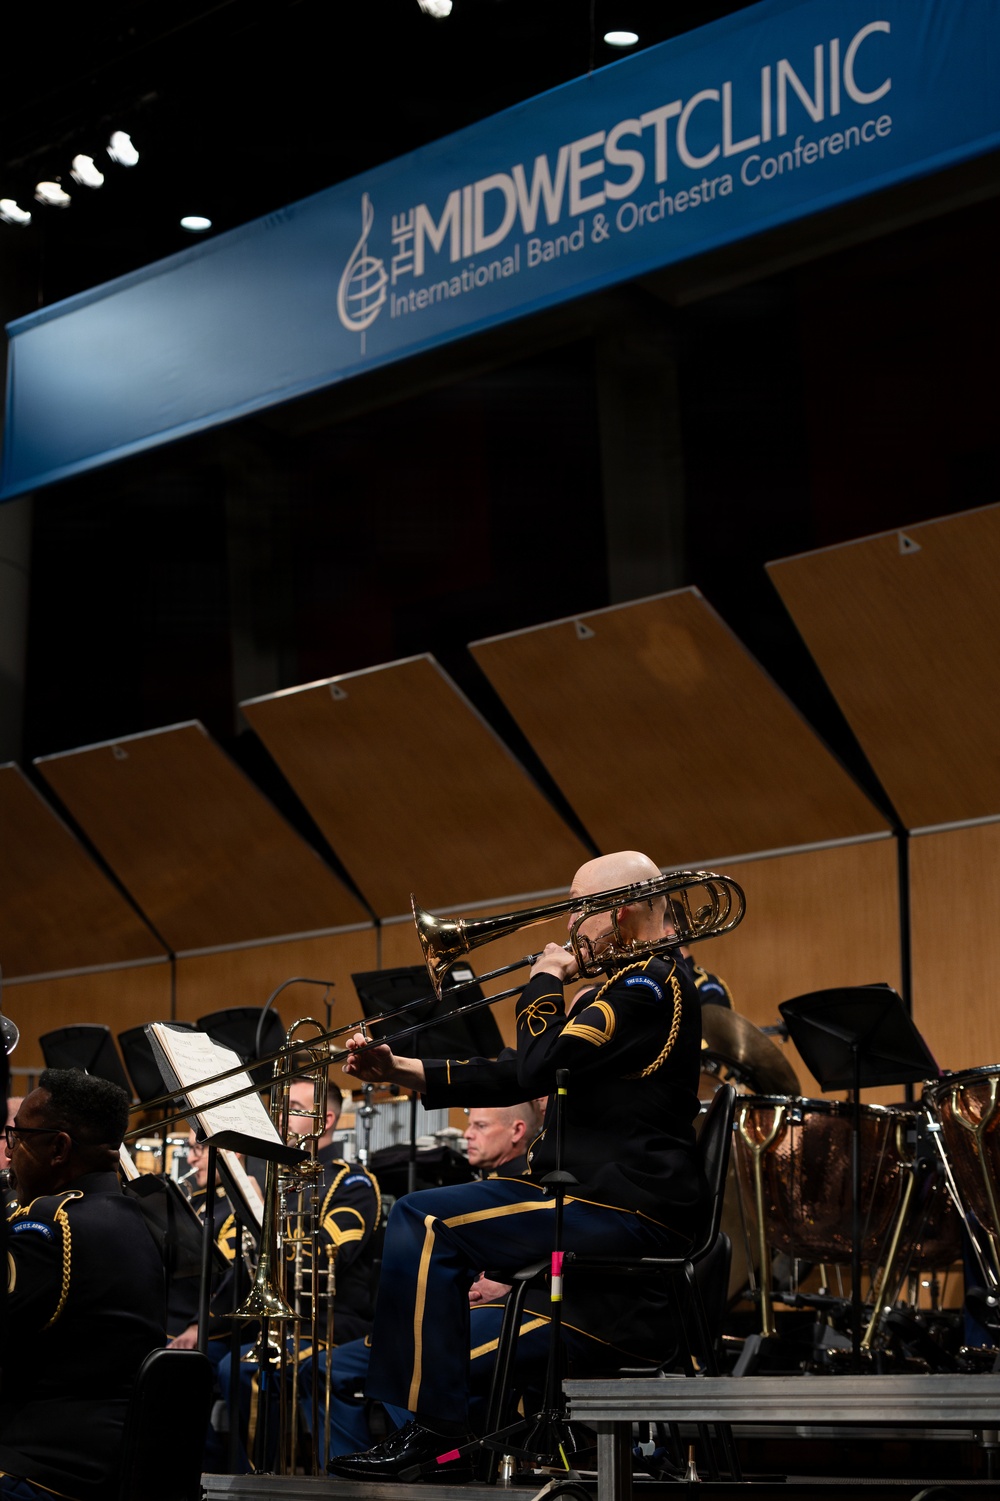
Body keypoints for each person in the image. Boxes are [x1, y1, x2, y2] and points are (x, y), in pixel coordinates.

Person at [328, 849, 708, 1483]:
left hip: (627, 1204)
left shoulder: (648, 985)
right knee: (427, 1222)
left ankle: (436, 1432)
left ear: (624, 911)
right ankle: (436, 1430)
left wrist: (544, 981)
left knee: (424, 1220)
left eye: (581, 909)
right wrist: (403, 1069)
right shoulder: (630, 983)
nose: (569, 928)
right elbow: (517, 1069)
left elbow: (537, 1064)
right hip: (598, 1200)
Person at [321, 1100, 543, 1459]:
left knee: (414, 1366)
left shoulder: (533, 1185)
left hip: (505, 1310)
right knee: (333, 1368)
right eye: (470, 1125)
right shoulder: (478, 1184)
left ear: (518, 1131)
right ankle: (352, 1477)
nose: (468, 1134)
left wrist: (508, 1280)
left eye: (481, 1127)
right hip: (454, 1313)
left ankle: (441, 1462)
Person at [0, 1069, 166, 1501]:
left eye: (18, 1137)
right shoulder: (137, 1219)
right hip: (112, 1464)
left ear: (58, 1148)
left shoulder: (46, 1227)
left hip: (41, 1468)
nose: (11, 1152)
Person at [218, 1072, 380, 1469]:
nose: (280, 1120)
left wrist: (262, 1225)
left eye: (292, 1110)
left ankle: (261, 1480)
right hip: (273, 1324)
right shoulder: (271, 1180)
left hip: (330, 1324)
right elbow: (226, 1249)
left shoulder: (353, 1181)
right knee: (201, 1362)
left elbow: (326, 1256)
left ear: (323, 1120)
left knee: (244, 1370)